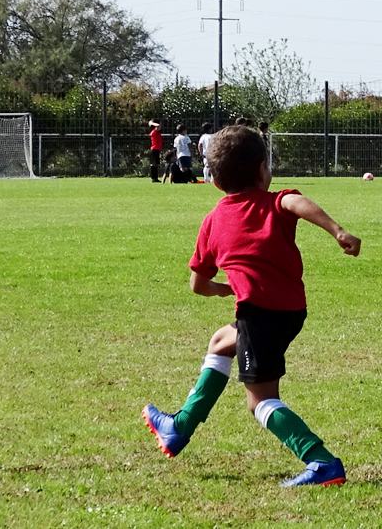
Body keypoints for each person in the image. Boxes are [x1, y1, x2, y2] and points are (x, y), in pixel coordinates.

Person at [141, 125, 361, 487]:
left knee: (260, 401)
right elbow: (295, 202)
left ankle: (321, 462)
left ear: (214, 181)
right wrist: (337, 231)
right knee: (220, 342)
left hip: (260, 315)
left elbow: (197, 285)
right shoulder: (276, 201)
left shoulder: (213, 221)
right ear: (263, 169)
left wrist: (222, 289)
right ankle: (179, 427)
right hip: (290, 311)